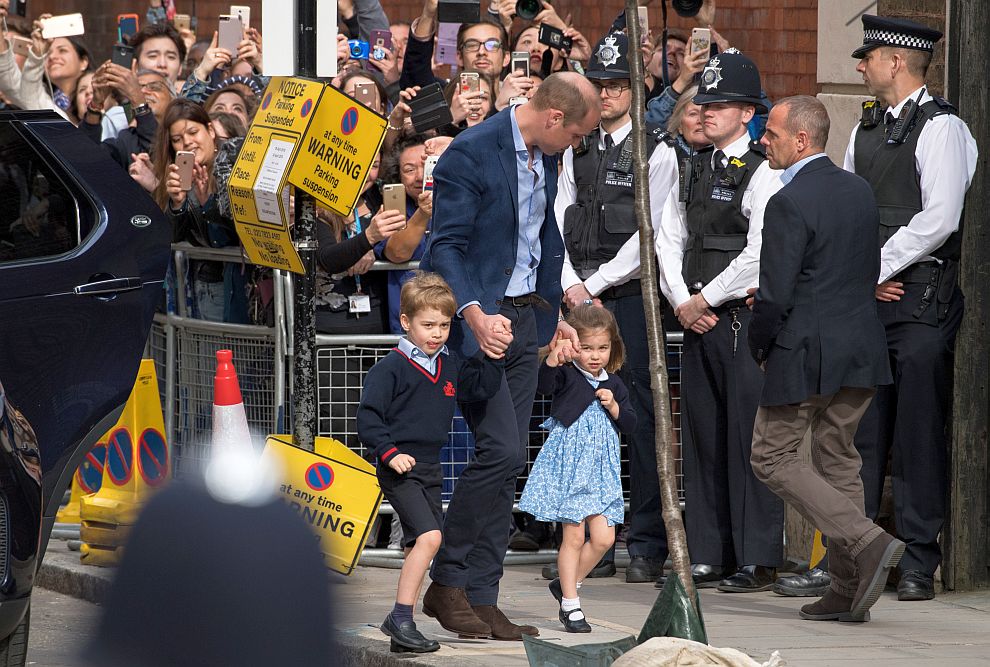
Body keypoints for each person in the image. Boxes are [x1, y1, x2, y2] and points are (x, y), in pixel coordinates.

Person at [419, 72, 601, 640]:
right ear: (552, 118)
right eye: (574, 135)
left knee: (509, 462)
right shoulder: (471, 153)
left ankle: (482, 595)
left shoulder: (544, 157)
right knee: (497, 451)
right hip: (481, 325)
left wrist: (558, 320)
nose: (574, 146)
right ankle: (447, 582)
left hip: (529, 320)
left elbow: (545, 238)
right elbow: (444, 246)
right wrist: (473, 313)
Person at [748, 95, 902, 623]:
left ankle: (866, 540)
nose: (760, 140)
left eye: (769, 133)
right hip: (859, 347)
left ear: (801, 140)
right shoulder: (859, 190)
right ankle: (845, 588)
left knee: (771, 456)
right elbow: (864, 267)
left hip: (807, 350)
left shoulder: (786, 201)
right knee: (838, 459)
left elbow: (773, 296)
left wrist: (760, 344)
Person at [842, 15, 978, 602]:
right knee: (860, 434)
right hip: (872, 299)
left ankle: (920, 557)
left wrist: (877, 266)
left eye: (868, 56)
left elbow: (941, 217)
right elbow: (850, 209)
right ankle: (855, 557)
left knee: (918, 433)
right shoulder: (864, 129)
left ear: (896, 60)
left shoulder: (942, 128)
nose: (861, 65)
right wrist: (861, 276)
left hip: (921, 298)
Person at [655, 50, 784, 592]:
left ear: (748, 113)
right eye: (703, 103)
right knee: (703, 437)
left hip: (737, 319)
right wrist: (683, 298)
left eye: (720, 104)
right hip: (696, 317)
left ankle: (757, 556)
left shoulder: (764, 171)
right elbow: (666, 237)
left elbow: (760, 251)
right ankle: (709, 550)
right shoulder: (691, 166)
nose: (705, 113)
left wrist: (704, 298)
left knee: (749, 437)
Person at [554, 31, 679, 585]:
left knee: (640, 420)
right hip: (577, 296)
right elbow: (557, 213)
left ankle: (646, 542)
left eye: (615, 85)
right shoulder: (576, 146)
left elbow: (651, 233)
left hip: (626, 298)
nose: (605, 95)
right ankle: (585, 540)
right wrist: (570, 283)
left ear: (639, 86)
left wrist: (595, 282)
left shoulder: (657, 148)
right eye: (598, 84)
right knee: (578, 422)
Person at [357, 272, 503, 653]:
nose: (436, 333)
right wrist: (389, 453)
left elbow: (480, 387)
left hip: (430, 468)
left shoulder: (449, 365)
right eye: (427, 325)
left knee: (416, 547)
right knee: (431, 538)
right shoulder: (390, 368)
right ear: (406, 322)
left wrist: (492, 353)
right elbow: (368, 419)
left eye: (442, 325)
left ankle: (404, 629)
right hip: (398, 467)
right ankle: (400, 618)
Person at [520, 305, 636, 632]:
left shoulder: (615, 383)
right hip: (571, 467)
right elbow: (543, 386)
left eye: (602, 348)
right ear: (573, 345)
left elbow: (630, 423)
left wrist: (615, 407)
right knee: (572, 536)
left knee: (604, 538)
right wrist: (553, 359)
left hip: (602, 472)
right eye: (587, 348)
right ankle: (571, 605)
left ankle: (566, 583)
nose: (595, 355)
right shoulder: (568, 374)